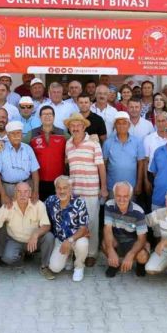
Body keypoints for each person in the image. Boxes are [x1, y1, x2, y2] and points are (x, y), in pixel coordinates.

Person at [0, 182, 54, 278]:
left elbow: (47, 226)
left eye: (25, 191)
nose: (22, 195)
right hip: (16, 240)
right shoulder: (8, 206)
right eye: (19, 191)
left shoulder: (38, 205)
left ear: (30, 193)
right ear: (15, 194)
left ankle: (44, 266)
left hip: (34, 241)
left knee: (49, 237)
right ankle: (22, 256)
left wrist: (35, 234)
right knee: (7, 258)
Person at [65, 113, 108, 267]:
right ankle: (77, 252)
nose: (75, 128)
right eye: (73, 125)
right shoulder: (68, 144)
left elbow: (101, 166)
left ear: (84, 127)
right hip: (74, 192)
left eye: (78, 125)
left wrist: (103, 187)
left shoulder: (93, 143)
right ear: (69, 128)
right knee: (76, 224)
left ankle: (91, 253)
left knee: (92, 223)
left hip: (91, 190)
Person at [45, 176, 90, 281]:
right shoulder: (51, 200)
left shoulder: (79, 202)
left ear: (70, 188)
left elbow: (83, 228)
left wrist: (70, 240)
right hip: (60, 240)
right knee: (55, 268)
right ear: (55, 189)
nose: (62, 191)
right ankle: (69, 256)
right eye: (59, 188)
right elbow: (39, 209)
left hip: (77, 238)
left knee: (83, 244)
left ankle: (79, 266)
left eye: (65, 188)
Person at [102, 181, 149, 277]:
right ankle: (114, 264)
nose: (121, 199)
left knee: (143, 256)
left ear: (130, 196)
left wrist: (130, 255)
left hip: (132, 242)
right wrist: (110, 250)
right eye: (118, 196)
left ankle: (140, 266)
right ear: (114, 194)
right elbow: (107, 229)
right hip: (117, 240)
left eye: (125, 196)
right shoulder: (109, 205)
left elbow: (142, 239)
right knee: (104, 244)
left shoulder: (138, 211)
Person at [0, 121, 40, 207]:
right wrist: (3, 194)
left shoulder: (28, 149)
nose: (16, 136)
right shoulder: (0, 149)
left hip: (26, 186)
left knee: (27, 211)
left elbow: (35, 171)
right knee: (9, 212)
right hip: (8, 188)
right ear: (8, 136)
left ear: (22, 135)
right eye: (12, 133)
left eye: (18, 133)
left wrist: (35, 191)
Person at [25, 106, 68, 202]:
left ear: (54, 117)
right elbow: (18, 144)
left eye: (50, 114)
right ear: (40, 117)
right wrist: (2, 142)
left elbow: (76, 140)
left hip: (58, 181)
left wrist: (89, 137)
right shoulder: (32, 133)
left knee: (56, 207)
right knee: (40, 207)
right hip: (38, 180)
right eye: (44, 114)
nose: (47, 116)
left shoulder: (62, 133)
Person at [103, 112, 145, 199]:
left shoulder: (137, 142)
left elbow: (141, 164)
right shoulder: (108, 143)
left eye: (124, 123)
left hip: (131, 187)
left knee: (131, 207)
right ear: (115, 126)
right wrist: (104, 185)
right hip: (112, 187)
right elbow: (104, 165)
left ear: (129, 125)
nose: (121, 126)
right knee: (111, 207)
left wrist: (139, 184)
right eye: (119, 123)